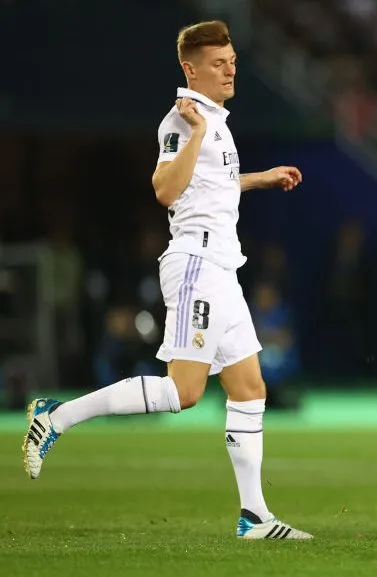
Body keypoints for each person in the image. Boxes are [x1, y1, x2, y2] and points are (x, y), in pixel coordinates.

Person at [22, 21, 312, 540]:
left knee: (249, 388)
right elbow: (165, 189)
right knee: (183, 392)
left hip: (222, 267)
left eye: (233, 62)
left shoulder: (215, 120)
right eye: (219, 63)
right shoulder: (184, 121)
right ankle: (57, 414)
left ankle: (254, 517)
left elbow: (209, 184)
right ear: (190, 69)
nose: (230, 71)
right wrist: (196, 132)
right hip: (197, 266)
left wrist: (259, 179)